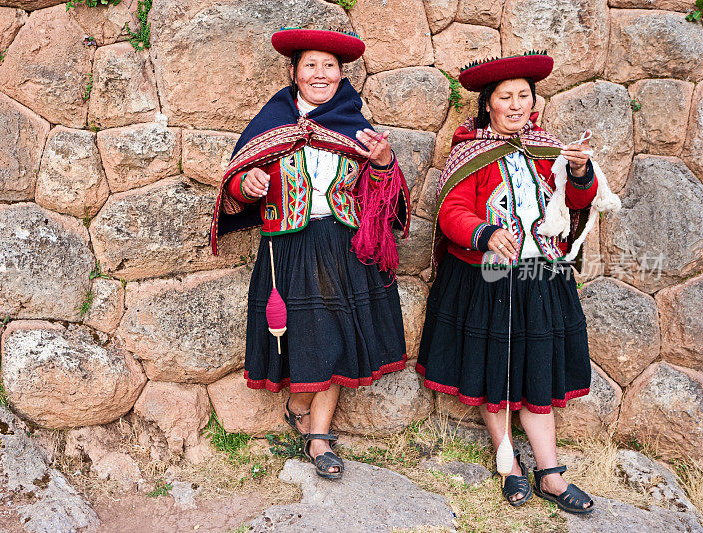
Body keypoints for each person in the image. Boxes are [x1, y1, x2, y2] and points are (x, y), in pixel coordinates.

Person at [417, 52, 616, 513]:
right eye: (505, 97)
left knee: (538, 368)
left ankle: (549, 472)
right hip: (485, 279)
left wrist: (581, 170)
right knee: (497, 368)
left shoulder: (545, 149)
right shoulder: (472, 153)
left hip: (540, 275)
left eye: (523, 95)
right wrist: (484, 232)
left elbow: (573, 197)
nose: (516, 104)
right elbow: (452, 212)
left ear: (534, 101)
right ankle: (509, 465)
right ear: (488, 104)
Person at [210, 27, 410, 479]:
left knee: (336, 337)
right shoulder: (271, 123)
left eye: (330, 66)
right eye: (311, 66)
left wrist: (381, 164)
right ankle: (298, 405)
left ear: (342, 74)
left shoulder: (355, 127)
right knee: (303, 337)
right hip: (289, 246)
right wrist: (250, 184)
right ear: (295, 72)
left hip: (343, 245)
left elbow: (384, 200)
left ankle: (319, 437)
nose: (320, 74)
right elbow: (235, 186)